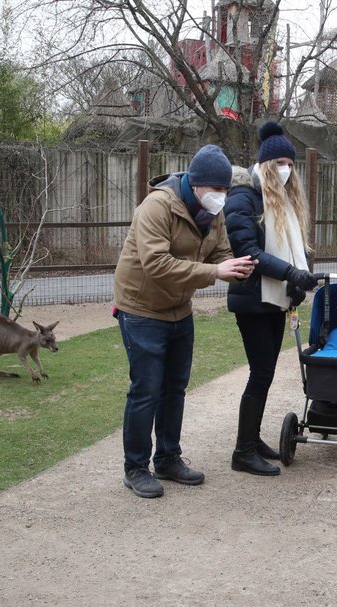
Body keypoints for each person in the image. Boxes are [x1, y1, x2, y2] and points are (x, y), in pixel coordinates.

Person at [113, 144, 256, 498]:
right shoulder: (157, 206)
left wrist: (236, 268)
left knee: (174, 389)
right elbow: (156, 264)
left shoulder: (213, 213)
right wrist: (214, 272)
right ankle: (135, 467)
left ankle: (167, 458)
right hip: (141, 309)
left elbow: (220, 252)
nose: (221, 196)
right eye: (216, 189)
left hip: (179, 310)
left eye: (225, 190)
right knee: (146, 390)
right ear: (195, 184)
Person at [224, 121, 318, 476]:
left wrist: (296, 279)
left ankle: (252, 439)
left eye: (290, 163)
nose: (286, 168)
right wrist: (290, 273)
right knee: (260, 372)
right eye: (279, 162)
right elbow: (246, 250)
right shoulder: (244, 195)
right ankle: (243, 451)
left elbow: (294, 249)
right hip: (252, 298)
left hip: (275, 297)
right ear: (265, 163)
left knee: (265, 372)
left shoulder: (285, 199)